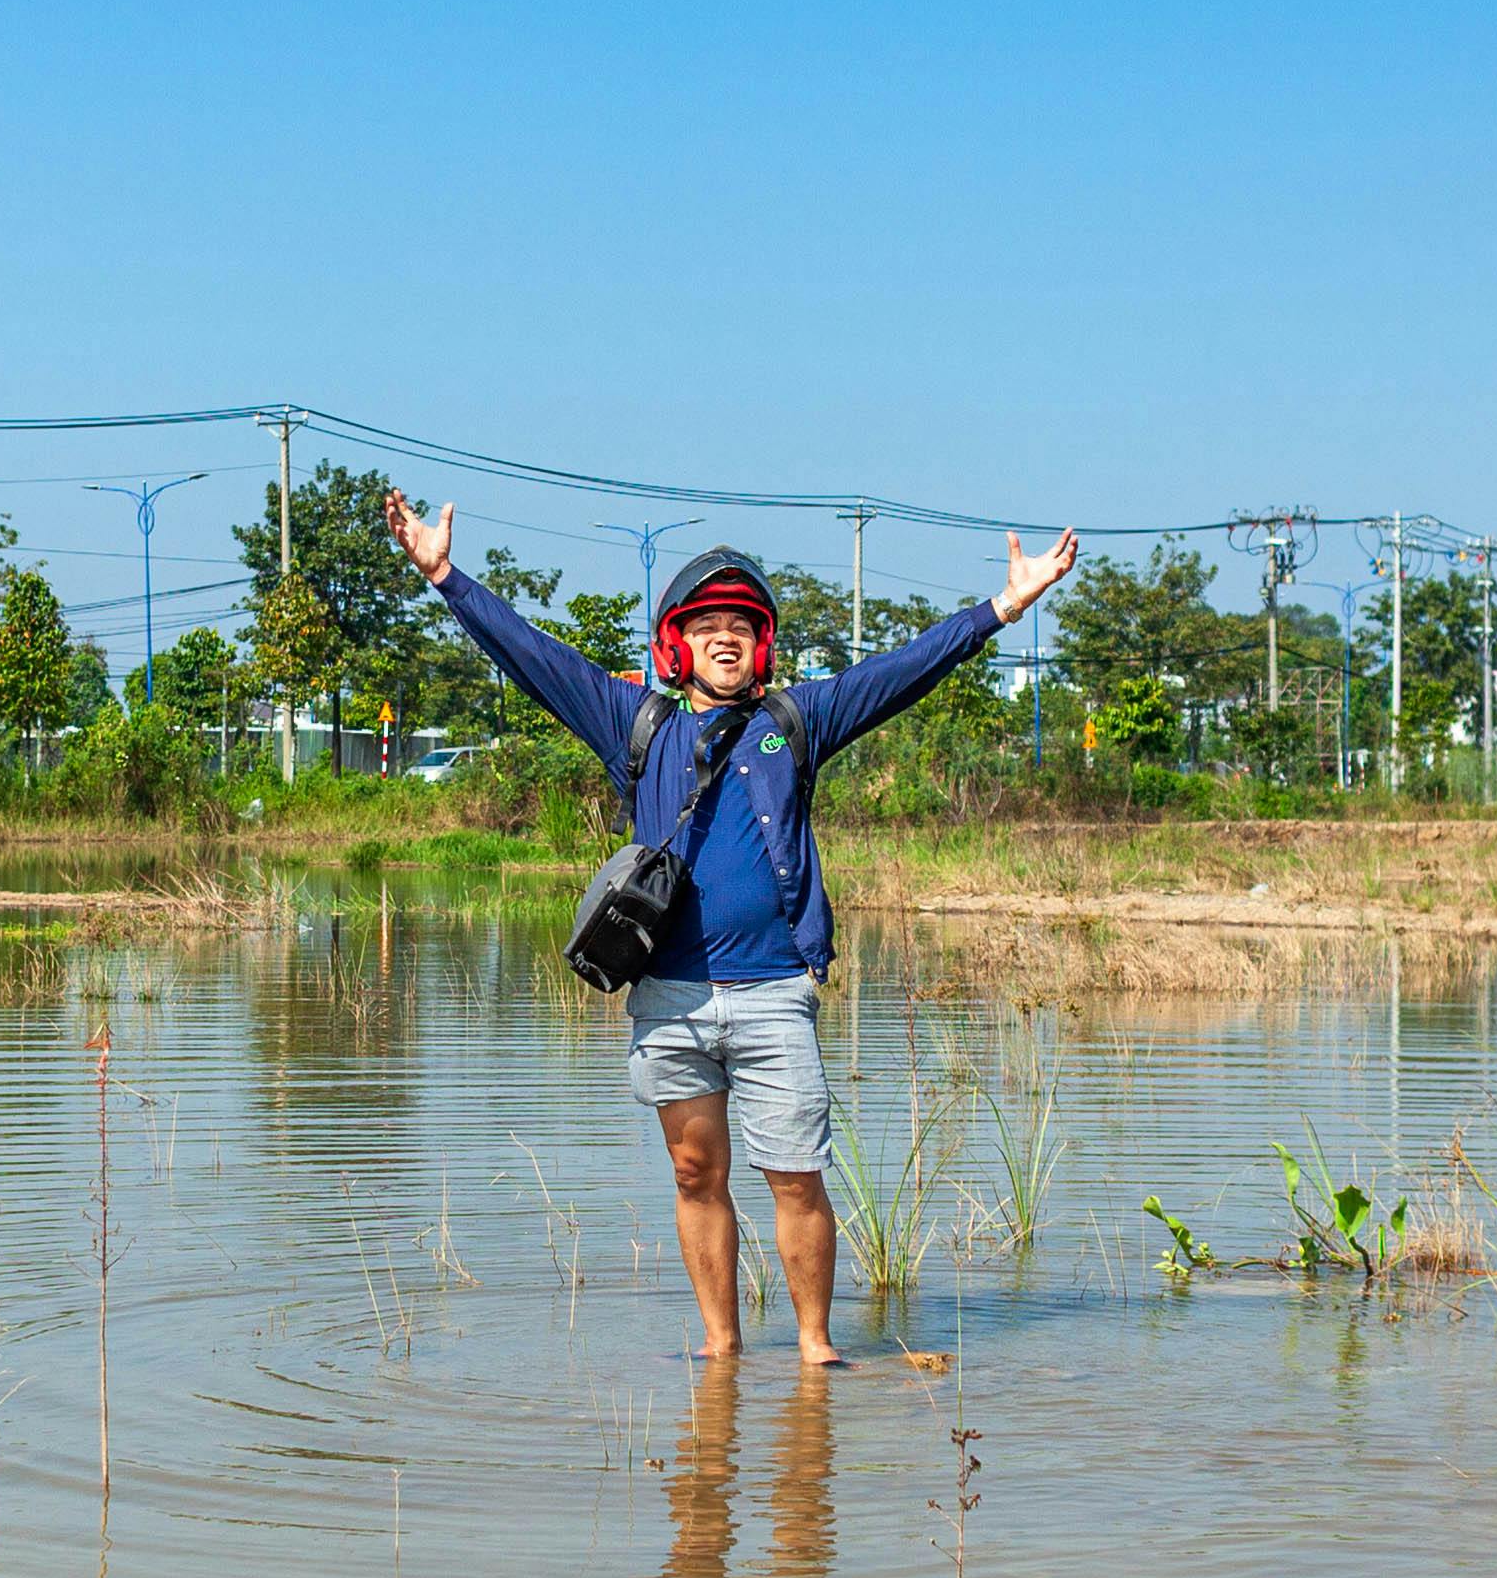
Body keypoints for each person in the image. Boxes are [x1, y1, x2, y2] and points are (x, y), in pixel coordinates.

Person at [392, 494, 1080, 1367]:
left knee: (795, 1175)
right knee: (694, 1174)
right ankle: (721, 1351)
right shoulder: (637, 723)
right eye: (708, 624)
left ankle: (816, 1350)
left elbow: (904, 670)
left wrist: (1004, 608)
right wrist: (444, 576)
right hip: (670, 999)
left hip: (773, 995)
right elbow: (533, 657)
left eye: (742, 626)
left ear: (763, 648)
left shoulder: (796, 724)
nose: (726, 637)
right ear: (678, 645)